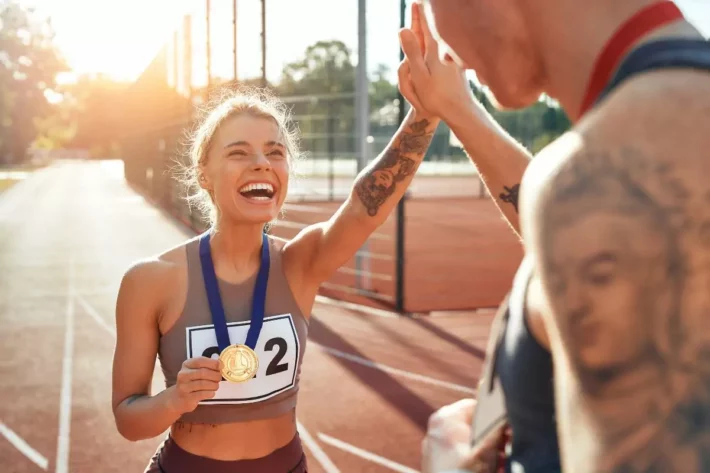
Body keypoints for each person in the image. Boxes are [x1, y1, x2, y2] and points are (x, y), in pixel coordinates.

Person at [396, 0, 710, 472]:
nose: (447, 52)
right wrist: (460, 111)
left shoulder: (614, 171)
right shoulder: (657, 134)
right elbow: (588, 230)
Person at [111, 80, 441, 470]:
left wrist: (427, 113)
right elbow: (128, 419)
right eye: (238, 152)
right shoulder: (150, 281)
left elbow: (363, 207)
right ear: (204, 173)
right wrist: (175, 400)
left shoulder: (300, 263)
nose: (262, 163)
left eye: (275, 152)